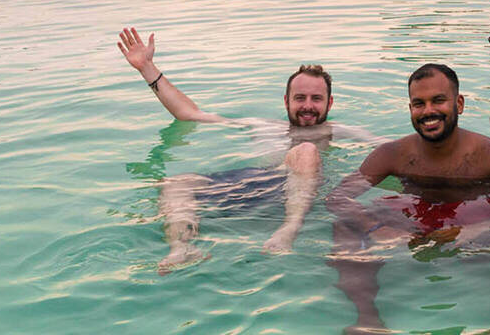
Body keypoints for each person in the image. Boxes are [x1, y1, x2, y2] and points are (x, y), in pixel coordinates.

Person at [327, 64, 490, 334]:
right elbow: (337, 197)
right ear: (410, 109)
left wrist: (481, 227)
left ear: (459, 103)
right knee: (345, 227)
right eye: (418, 103)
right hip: (411, 225)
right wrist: (377, 227)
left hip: (472, 223)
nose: (428, 111)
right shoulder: (393, 153)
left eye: (438, 100)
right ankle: (368, 319)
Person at [116, 27, 348, 272]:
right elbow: (190, 114)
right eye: (300, 98)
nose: (307, 106)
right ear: (286, 101)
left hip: (302, 191)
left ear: (329, 102)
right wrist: (146, 68)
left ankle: (288, 230)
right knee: (177, 182)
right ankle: (182, 249)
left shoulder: (342, 133)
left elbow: (388, 152)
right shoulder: (262, 126)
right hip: (254, 186)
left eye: (316, 99)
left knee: (306, 150)